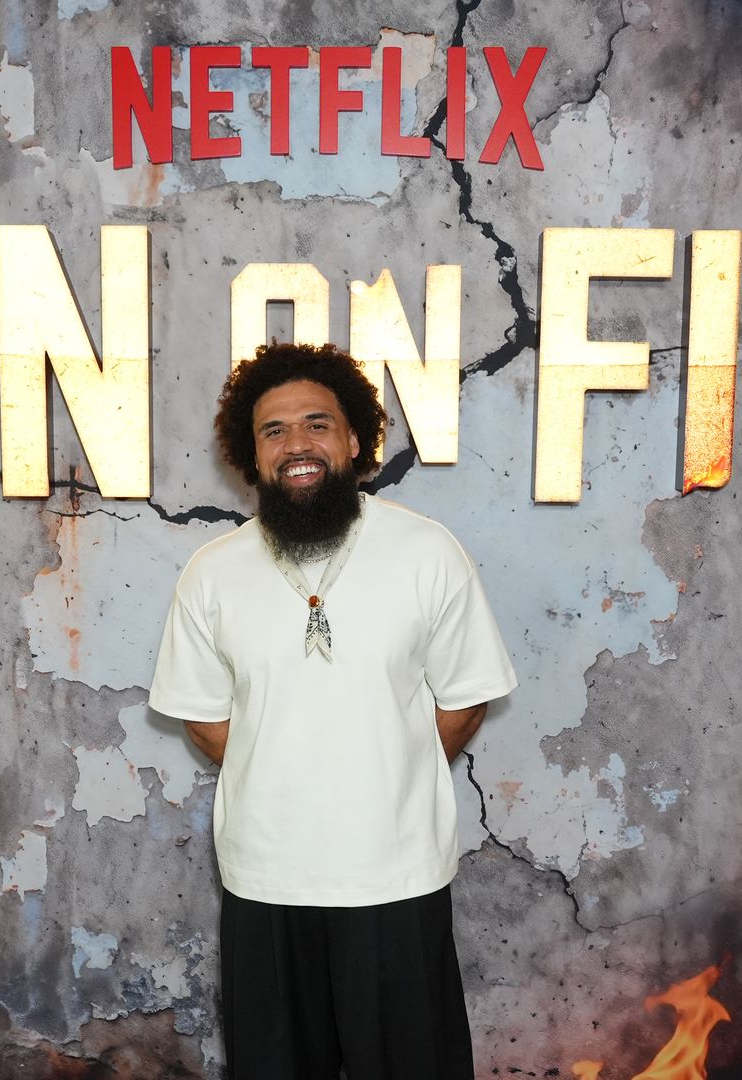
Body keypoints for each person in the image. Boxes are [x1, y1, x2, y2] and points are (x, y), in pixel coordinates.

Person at [149, 341, 519, 1079]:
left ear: (354, 439)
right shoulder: (213, 573)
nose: (297, 446)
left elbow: (465, 696)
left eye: (317, 424)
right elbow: (203, 716)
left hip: (395, 876)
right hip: (266, 881)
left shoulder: (426, 553)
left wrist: (386, 771)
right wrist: (287, 773)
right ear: (250, 455)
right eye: (274, 431)